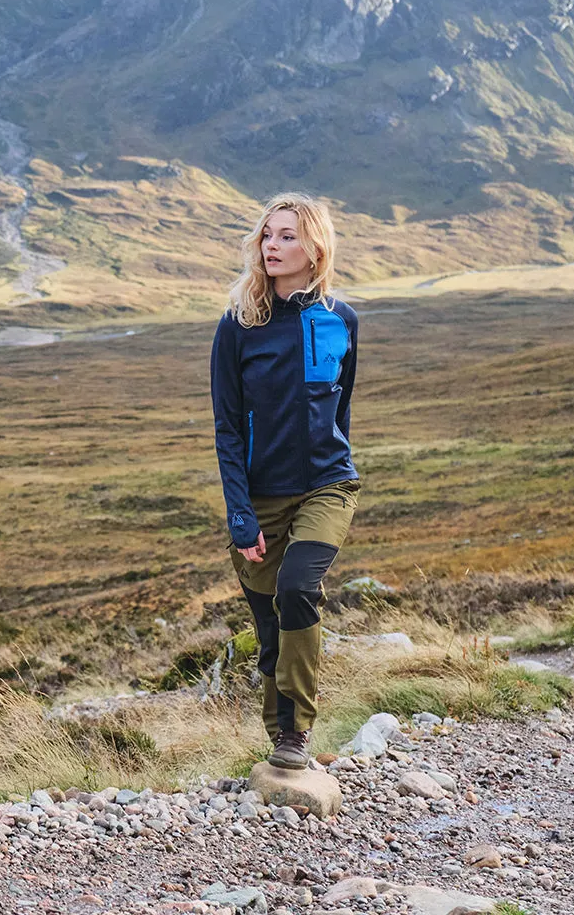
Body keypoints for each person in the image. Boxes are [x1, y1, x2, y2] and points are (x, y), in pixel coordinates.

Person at [210, 192, 360, 770]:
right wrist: (240, 513)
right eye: (268, 235)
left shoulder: (341, 320)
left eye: (288, 236)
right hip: (260, 496)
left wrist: (335, 460)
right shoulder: (240, 325)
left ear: (315, 247)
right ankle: (280, 738)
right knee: (270, 626)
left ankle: (297, 732)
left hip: (328, 483)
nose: (273, 246)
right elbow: (227, 428)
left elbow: (339, 409)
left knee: (299, 587)